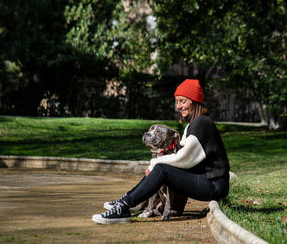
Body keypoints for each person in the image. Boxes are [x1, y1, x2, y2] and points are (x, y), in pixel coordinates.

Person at [92, 79, 230, 224]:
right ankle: (125, 201)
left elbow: (183, 158)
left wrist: (154, 163)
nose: (179, 106)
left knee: (161, 169)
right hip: (205, 180)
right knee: (161, 168)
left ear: (194, 101)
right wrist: (156, 163)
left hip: (215, 185)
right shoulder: (192, 126)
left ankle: (124, 206)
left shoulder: (203, 123)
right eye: (177, 102)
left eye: (183, 101)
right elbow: (179, 155)